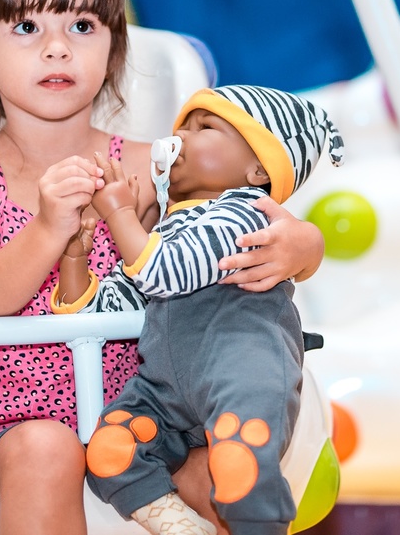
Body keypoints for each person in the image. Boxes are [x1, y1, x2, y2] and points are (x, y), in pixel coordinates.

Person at [0, 0, 325, 535]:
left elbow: (241, 222)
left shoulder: (155, 162)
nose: (57, 47)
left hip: (145, 416)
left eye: (81, 26)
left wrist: (302, 245)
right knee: (48, 451)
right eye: (27, 27)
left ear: (112, 47)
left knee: (223, 477)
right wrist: (48, 229)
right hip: (6, 427)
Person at [52, 84, 344, 535]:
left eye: (204, 127)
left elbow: (166, 271)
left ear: (257, 168)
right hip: (167, 385)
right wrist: (75, 259)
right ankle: (182, 527)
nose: (181, 138)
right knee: (110, 450)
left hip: (241, 366)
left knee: (240, 461)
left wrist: (120, 215)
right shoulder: (164, 229)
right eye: (181, 127)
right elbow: (104, 312)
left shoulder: (248, 214)